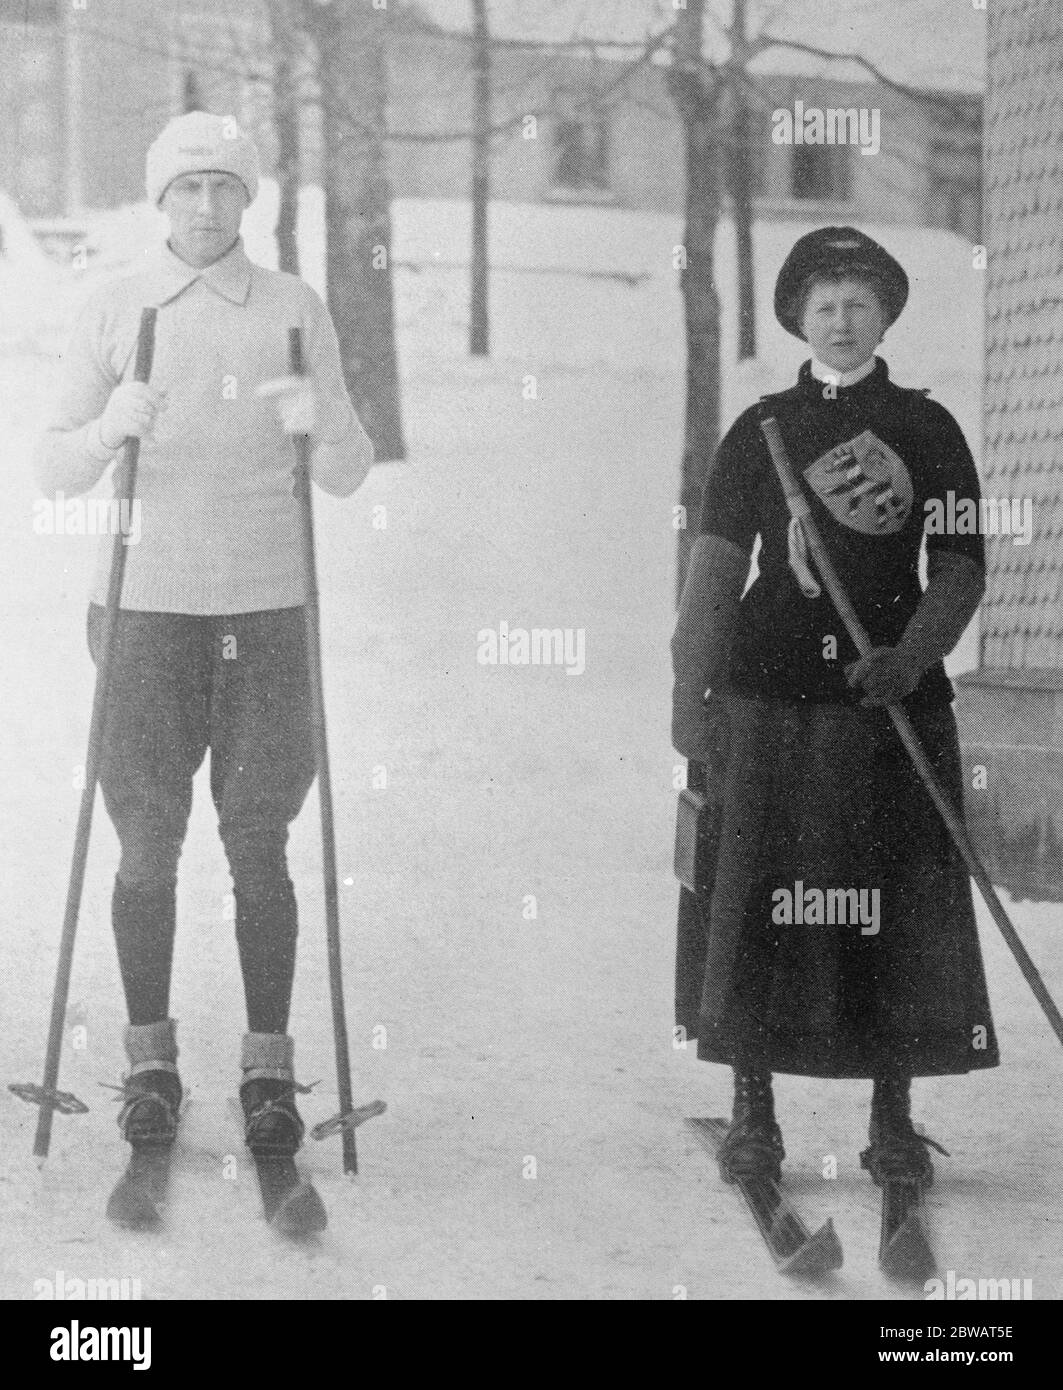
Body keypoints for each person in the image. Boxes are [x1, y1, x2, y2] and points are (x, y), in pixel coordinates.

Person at [34, 112, 374, 1157]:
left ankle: (267, 1067)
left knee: (259, 841)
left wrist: (320, 417)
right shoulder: (114, 306)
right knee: (145, 844)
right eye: (188, 188)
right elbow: (52, 466)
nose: (207, 206)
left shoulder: (291, 307)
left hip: (268, 607)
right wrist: (106, 429)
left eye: (226, 187)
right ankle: (149, 1061)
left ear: (250, 198)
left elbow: (351, 468)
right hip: (144, 607)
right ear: (158, 199)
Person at [671, 227, 998, 1189]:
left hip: (886, 704)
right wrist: (688, 692)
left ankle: (892, 1119)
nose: (842, 322)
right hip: (768, 697)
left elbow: (962, 564)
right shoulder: (758, 430)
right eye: (824, 307)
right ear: (797, 321)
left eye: (858, 304)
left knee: (892, 910)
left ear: (884, 314)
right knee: (757, 905)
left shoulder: (928, 429)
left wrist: (913, 654)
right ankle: (753, 1114)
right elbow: (716, 574)